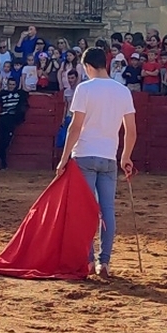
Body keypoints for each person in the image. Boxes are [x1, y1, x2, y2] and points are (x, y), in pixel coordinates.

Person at [56, 47, 137, 280]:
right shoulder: (122, 91)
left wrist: (63, 158)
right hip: (109, 157)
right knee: (107, 210)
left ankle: (89, 260)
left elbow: (75, 127)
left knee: (85, 209)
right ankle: (105, 263)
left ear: (88, 66)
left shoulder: (84, 88)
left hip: (84, 156)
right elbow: (131, 131)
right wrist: (125, 156)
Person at [0, 77, 28, 171]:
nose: (11, 86)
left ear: (16, 85)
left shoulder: (20, 93)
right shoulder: (2, 93)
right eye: (10, 84)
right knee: (2, 142)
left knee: (6, 142)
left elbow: (30, 93)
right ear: (7, 85)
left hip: (12, 119)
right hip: (3, 118)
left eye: (13, 85)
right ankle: (1, 163)